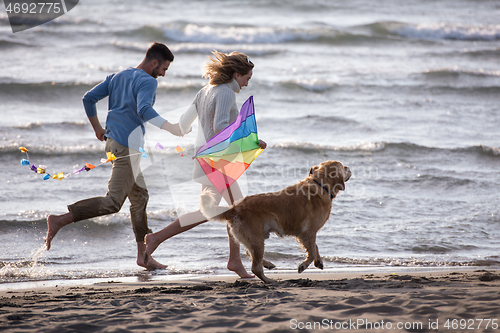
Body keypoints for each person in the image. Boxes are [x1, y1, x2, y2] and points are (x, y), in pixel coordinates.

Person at [45, 42, 183, 270]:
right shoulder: (147, 81)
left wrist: (97, 129)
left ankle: (143, 257)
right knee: (113, 202)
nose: (163, 74)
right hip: (127, 147)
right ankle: (60, 219)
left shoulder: (118, 76)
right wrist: (172, 127)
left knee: (139, 198)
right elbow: (145, 110)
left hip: (115, 144)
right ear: (154, 62)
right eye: (164, 69)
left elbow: (88, 98)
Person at [144, 51, 266, 278]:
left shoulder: (204, 92)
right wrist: (251, 141)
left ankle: (157, 238)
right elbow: (220, 127)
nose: (247, 84)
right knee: (238, 209)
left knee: (213, 211)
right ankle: (234, 261)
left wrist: (192, 129)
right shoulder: (227, 94)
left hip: (204, 159)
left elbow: (182, 125)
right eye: (247, 78)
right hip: (218, 161)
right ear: (236, 74)